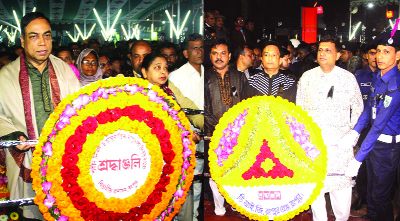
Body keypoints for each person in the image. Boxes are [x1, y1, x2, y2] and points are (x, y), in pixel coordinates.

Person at [0, 12, 81, 220]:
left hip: (65, 161)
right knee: (31, 213)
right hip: (27, 158)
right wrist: (12, 135)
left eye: (47, 35)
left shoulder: (66, 71)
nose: (42, 43)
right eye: (33, 36)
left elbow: (80, 110)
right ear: (22, 41)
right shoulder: (6, 76)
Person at [296, 35, 363, 221]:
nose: (323, 53)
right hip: (313, 146)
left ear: (338, 55)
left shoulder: (348, 78)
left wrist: (352, 135)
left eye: (328, 50)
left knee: (341, 193)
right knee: (316, 191)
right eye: (320, 50)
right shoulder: (307, 77)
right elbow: (299, 110)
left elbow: (358, 109)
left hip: (339, 147)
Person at [344, 31, 400, 221]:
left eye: (387, 52)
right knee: (370, 192)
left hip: (387, 147)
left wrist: (357, 158)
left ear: (398, 55)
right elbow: (369, 108)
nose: (380, 56)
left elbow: (379, 125)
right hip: (374, 143)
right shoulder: (379, 77)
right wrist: (355, 131)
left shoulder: (395, 84)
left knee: (380, 195)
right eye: (378, 51)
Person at [204, 39, 248, 216]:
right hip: (212, 133)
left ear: (230, 56)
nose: (219, 57)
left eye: (223, 53)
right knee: (215, 171)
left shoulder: (240, 76)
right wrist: (219, 129)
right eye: (215, 53)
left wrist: (236, 128)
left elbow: (246, 103)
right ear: (210, 56)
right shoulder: (204, 77)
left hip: (237, 133)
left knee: (236, 168)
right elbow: (203, 108)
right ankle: (219, 205)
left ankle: (236, 202)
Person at [169, 33, 204, 221]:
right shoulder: (175, 76)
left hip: (208, 132)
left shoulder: (209, 71)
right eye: (195, 48)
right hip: (189, 134)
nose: (200, 52)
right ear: (185, 52)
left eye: (202, 47)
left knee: (201, 179)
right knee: (187, 180)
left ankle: (195, 215)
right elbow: (180, 108)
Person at [350, 45, 379, 211]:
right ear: (366, 56)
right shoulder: (359, 75)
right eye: (373, 53)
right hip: (363, 126)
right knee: (362, 163)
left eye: (379, 52)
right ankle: (362, 196)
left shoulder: (385, 77)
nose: (376, 57)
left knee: (378, 166)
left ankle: (377, 198)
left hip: (380, 127)